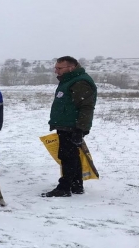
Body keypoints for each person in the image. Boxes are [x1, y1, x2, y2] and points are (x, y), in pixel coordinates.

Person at [42, 56, 97, 198]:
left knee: (67, 157)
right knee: (72, 156)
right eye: (55, 68)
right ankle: (76, 185)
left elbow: (86, 107)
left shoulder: (80, 82)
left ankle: (64, 187)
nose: (56, 71)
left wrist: (80, 129)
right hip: (66, 124)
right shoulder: (69, 81)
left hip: (72, 126)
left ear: (71, 67)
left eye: (59, 68)